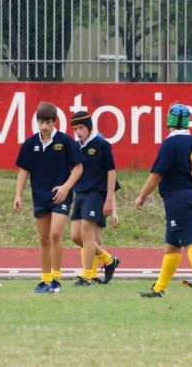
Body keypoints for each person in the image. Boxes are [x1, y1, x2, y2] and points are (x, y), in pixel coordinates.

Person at [136, 104, 192, 298]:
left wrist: (142, 195)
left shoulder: (170, 143)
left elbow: (157, 173)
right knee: (172, 245)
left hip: (178, 199)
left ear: (168, 122)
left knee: (190, 241)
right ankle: (159, 288)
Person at [14, 102, 84, 293]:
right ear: (37, 122)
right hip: (39, 196)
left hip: (61, 197)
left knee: (55, 234)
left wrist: (66, 188)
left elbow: (78, 168)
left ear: (54, 122)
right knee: (44, 238)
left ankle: (56, 279)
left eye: (47, 122)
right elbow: (23, 170)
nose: (44, 126)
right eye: (41, 122)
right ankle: (45, 281)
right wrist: (18, 195)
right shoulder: (30, 144)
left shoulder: (65, 141)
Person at [69, 111, 121, 286]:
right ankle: (108, 260)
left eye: (81, 128)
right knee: (76, 236)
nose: (78, 131)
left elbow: (111, 172)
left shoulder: (102, 144)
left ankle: (87, 276)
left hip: (96, 193)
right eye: (75, 128)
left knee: (87, 232)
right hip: (80, 194)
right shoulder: (76, 146)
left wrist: (109, 200)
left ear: (89, 127)